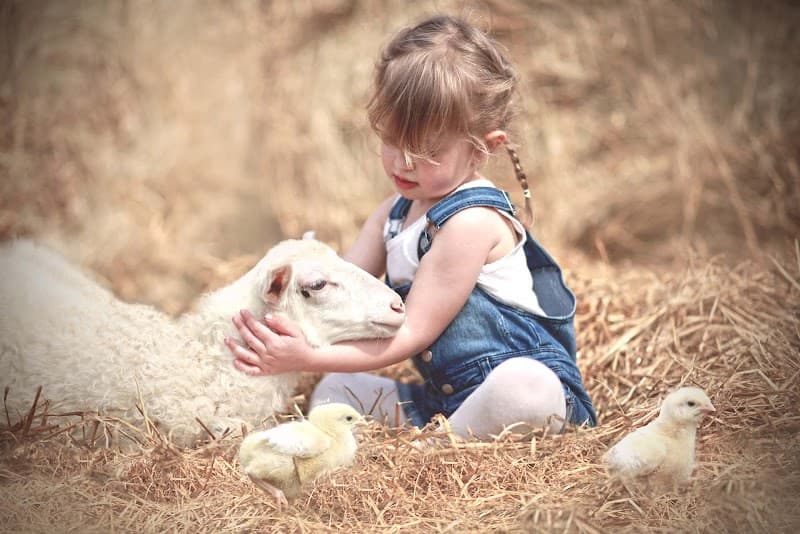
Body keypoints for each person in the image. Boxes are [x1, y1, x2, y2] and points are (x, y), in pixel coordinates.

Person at [226, 14, 596, 438]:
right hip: (444, 401)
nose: (402, 163)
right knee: (334, 392)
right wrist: (272, 325)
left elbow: (413, 334)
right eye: (391, 140)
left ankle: (436, 453)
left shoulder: (471, 223)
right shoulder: (393, 214)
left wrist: (306, 355)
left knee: (525, 388)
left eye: (427, 151)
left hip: (532, 399)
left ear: (483, 148)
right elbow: (340, 296)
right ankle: (450, 431)